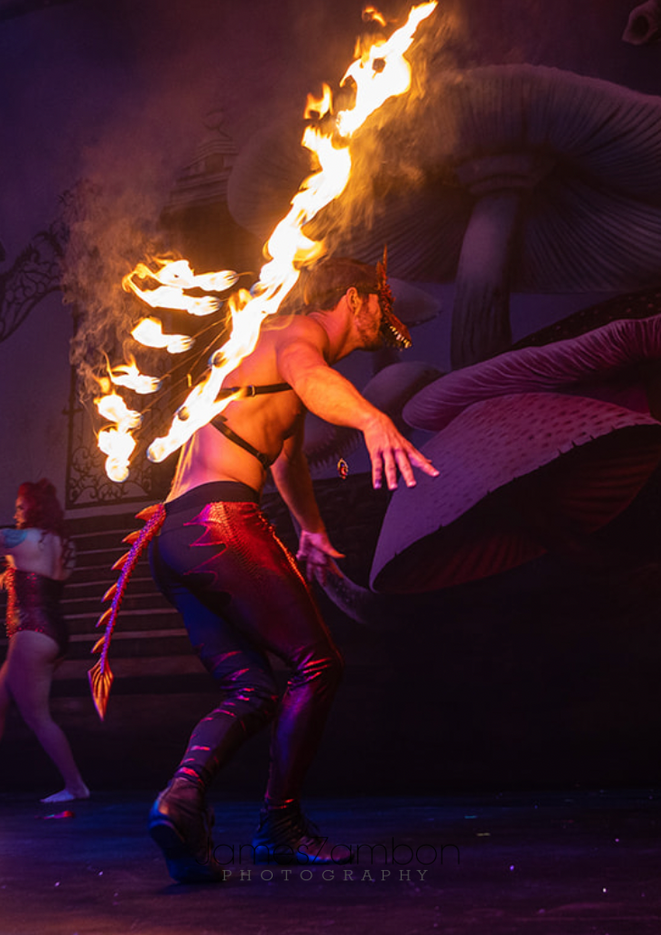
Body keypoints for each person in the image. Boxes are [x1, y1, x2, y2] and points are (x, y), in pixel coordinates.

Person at [141, 255, 438, 883]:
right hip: (217, 523)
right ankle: (279, 825)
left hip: (171, 539)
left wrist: (310, 527)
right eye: (381, 306)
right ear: (355, 299)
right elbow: (311, 379)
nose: (384, 321)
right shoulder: (297, 335)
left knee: (253, 690)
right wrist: (373, 419)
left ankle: (180, 801)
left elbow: (285, 460)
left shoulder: (262, 346)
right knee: (318, 663)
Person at [1, 479, 90, 803]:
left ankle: (76, 785)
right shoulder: (62, 544)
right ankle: (75, 784)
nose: (16, 511)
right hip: (54, 631)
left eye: (21, 505)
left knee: (37, 716)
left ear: (34, 507)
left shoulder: (21, 538)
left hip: (31, 632)